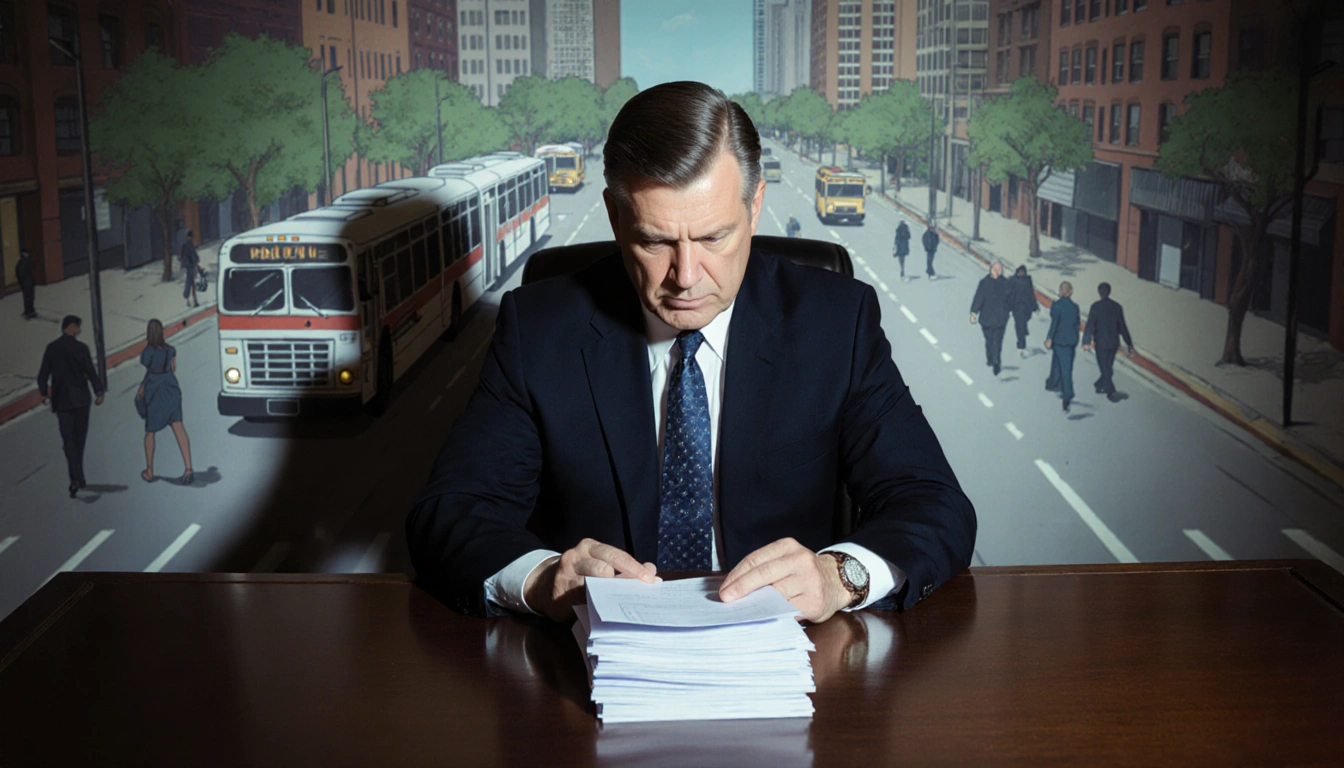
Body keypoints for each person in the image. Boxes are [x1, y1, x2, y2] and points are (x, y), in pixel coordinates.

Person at [407, 81, 976, 624]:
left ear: (755, 208)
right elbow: (450, 513)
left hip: (790, 659)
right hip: (593, 664)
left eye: (712, 238)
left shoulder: (835, 324)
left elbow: (933, 504)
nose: (685, 276)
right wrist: (542, 579)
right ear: (614, 215)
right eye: (655, 241)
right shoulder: (539, 330)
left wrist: (839, 576)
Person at [37, 315, 105, 497]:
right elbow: (90, 371)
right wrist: (99, 391)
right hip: (81, 400)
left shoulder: (51, 349)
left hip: (62, 402)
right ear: (71, 327)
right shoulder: (81, 349)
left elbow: (42, 375)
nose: (79, 331)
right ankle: (78, 475)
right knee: (79, 440)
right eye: (78, 327)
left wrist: (44, 394)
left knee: (68, 440)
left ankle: (75, 478)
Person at [138, 318, 194, 484]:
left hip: (154, 390)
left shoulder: (147, 352)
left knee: (150, 431)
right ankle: (189, 468)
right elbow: (173, 368)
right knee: (178, 426)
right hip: (170, 387)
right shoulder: (170, 350)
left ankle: (149, 470)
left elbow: (149, 369)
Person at [1082, 282, 1135, 403]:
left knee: (1104, 367)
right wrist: (1129, 343)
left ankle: (1111, 391)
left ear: (1099, 292)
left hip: (1100, 343)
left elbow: (1090, 325)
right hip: (1113, 343)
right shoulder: (1117, 307)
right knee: (1108, 367)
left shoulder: (1095, 307)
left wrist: (1086, 341)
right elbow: (1122, 327)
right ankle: (1099, 384)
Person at [1044, 282, 1081, 412]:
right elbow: (1077, 324)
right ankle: (1053, 383)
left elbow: (1054, 323)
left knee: (1064, 368)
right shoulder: (1075, 307)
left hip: (1060, 341)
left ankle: (1067, 394)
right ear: (1070, 293)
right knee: (1062, 364)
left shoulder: (1057, 306)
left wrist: (1049, 338)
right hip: (1071, 341)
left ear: (1061, 292)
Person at [969, 261, 1010, 376]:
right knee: (989, 340)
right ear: (990, 269)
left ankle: (997, 362)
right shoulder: (984, 283)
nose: (998, 271)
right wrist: (973, 313)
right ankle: (991, 358)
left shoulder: (1006, 283)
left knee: (997, 340)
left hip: (1000, 319)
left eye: (1000, 269)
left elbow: (1011, 300)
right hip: (986, 318)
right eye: (995, 269)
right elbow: (979, 298)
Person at [1006, 264, 1038, 358]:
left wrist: (1035, 306)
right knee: (1019, 325)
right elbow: (1007, 293)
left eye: (1023, 272)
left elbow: (1031, 294)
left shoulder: (1027, 281)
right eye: (1020, 272)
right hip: (1016, 307)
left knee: (1022, 323)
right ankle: (1021, 345)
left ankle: (1024, 331)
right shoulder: (1012, 281)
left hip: (1026, 308)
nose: (1021, 273)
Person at [180, 230, 200, 307]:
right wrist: (196, 262)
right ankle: (193, 301)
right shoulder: (189, 245)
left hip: (188, 266)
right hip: (190, 267)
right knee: (191, 283)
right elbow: (193, 255)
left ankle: (192, 300)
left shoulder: (185, 245)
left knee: (191, 283)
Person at [16, 248, 37, 319]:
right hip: (26, 283)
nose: (27, 254)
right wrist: (22, 282)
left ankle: (31, 310)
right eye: (25, 253)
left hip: (30, 282)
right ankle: (28, 311)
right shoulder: (22, 262)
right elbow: (20, 273)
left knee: (31, 297)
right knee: (27, 297)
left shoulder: (28, 260)